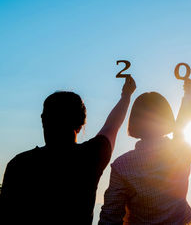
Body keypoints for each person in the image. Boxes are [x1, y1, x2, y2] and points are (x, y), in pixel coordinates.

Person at [0, 76, 136, 225]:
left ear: (43, 120)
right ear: (80, 123)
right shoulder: (91, 157)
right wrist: (126, 95)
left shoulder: (19, 165)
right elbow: (112, 126)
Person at [99, 79, 191, 225]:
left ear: (134, 121)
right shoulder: (181, 152)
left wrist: (126, 94)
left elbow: (110, 218)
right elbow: (183, 122)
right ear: (167, 119)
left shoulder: (121, 166)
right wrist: (188, 93)